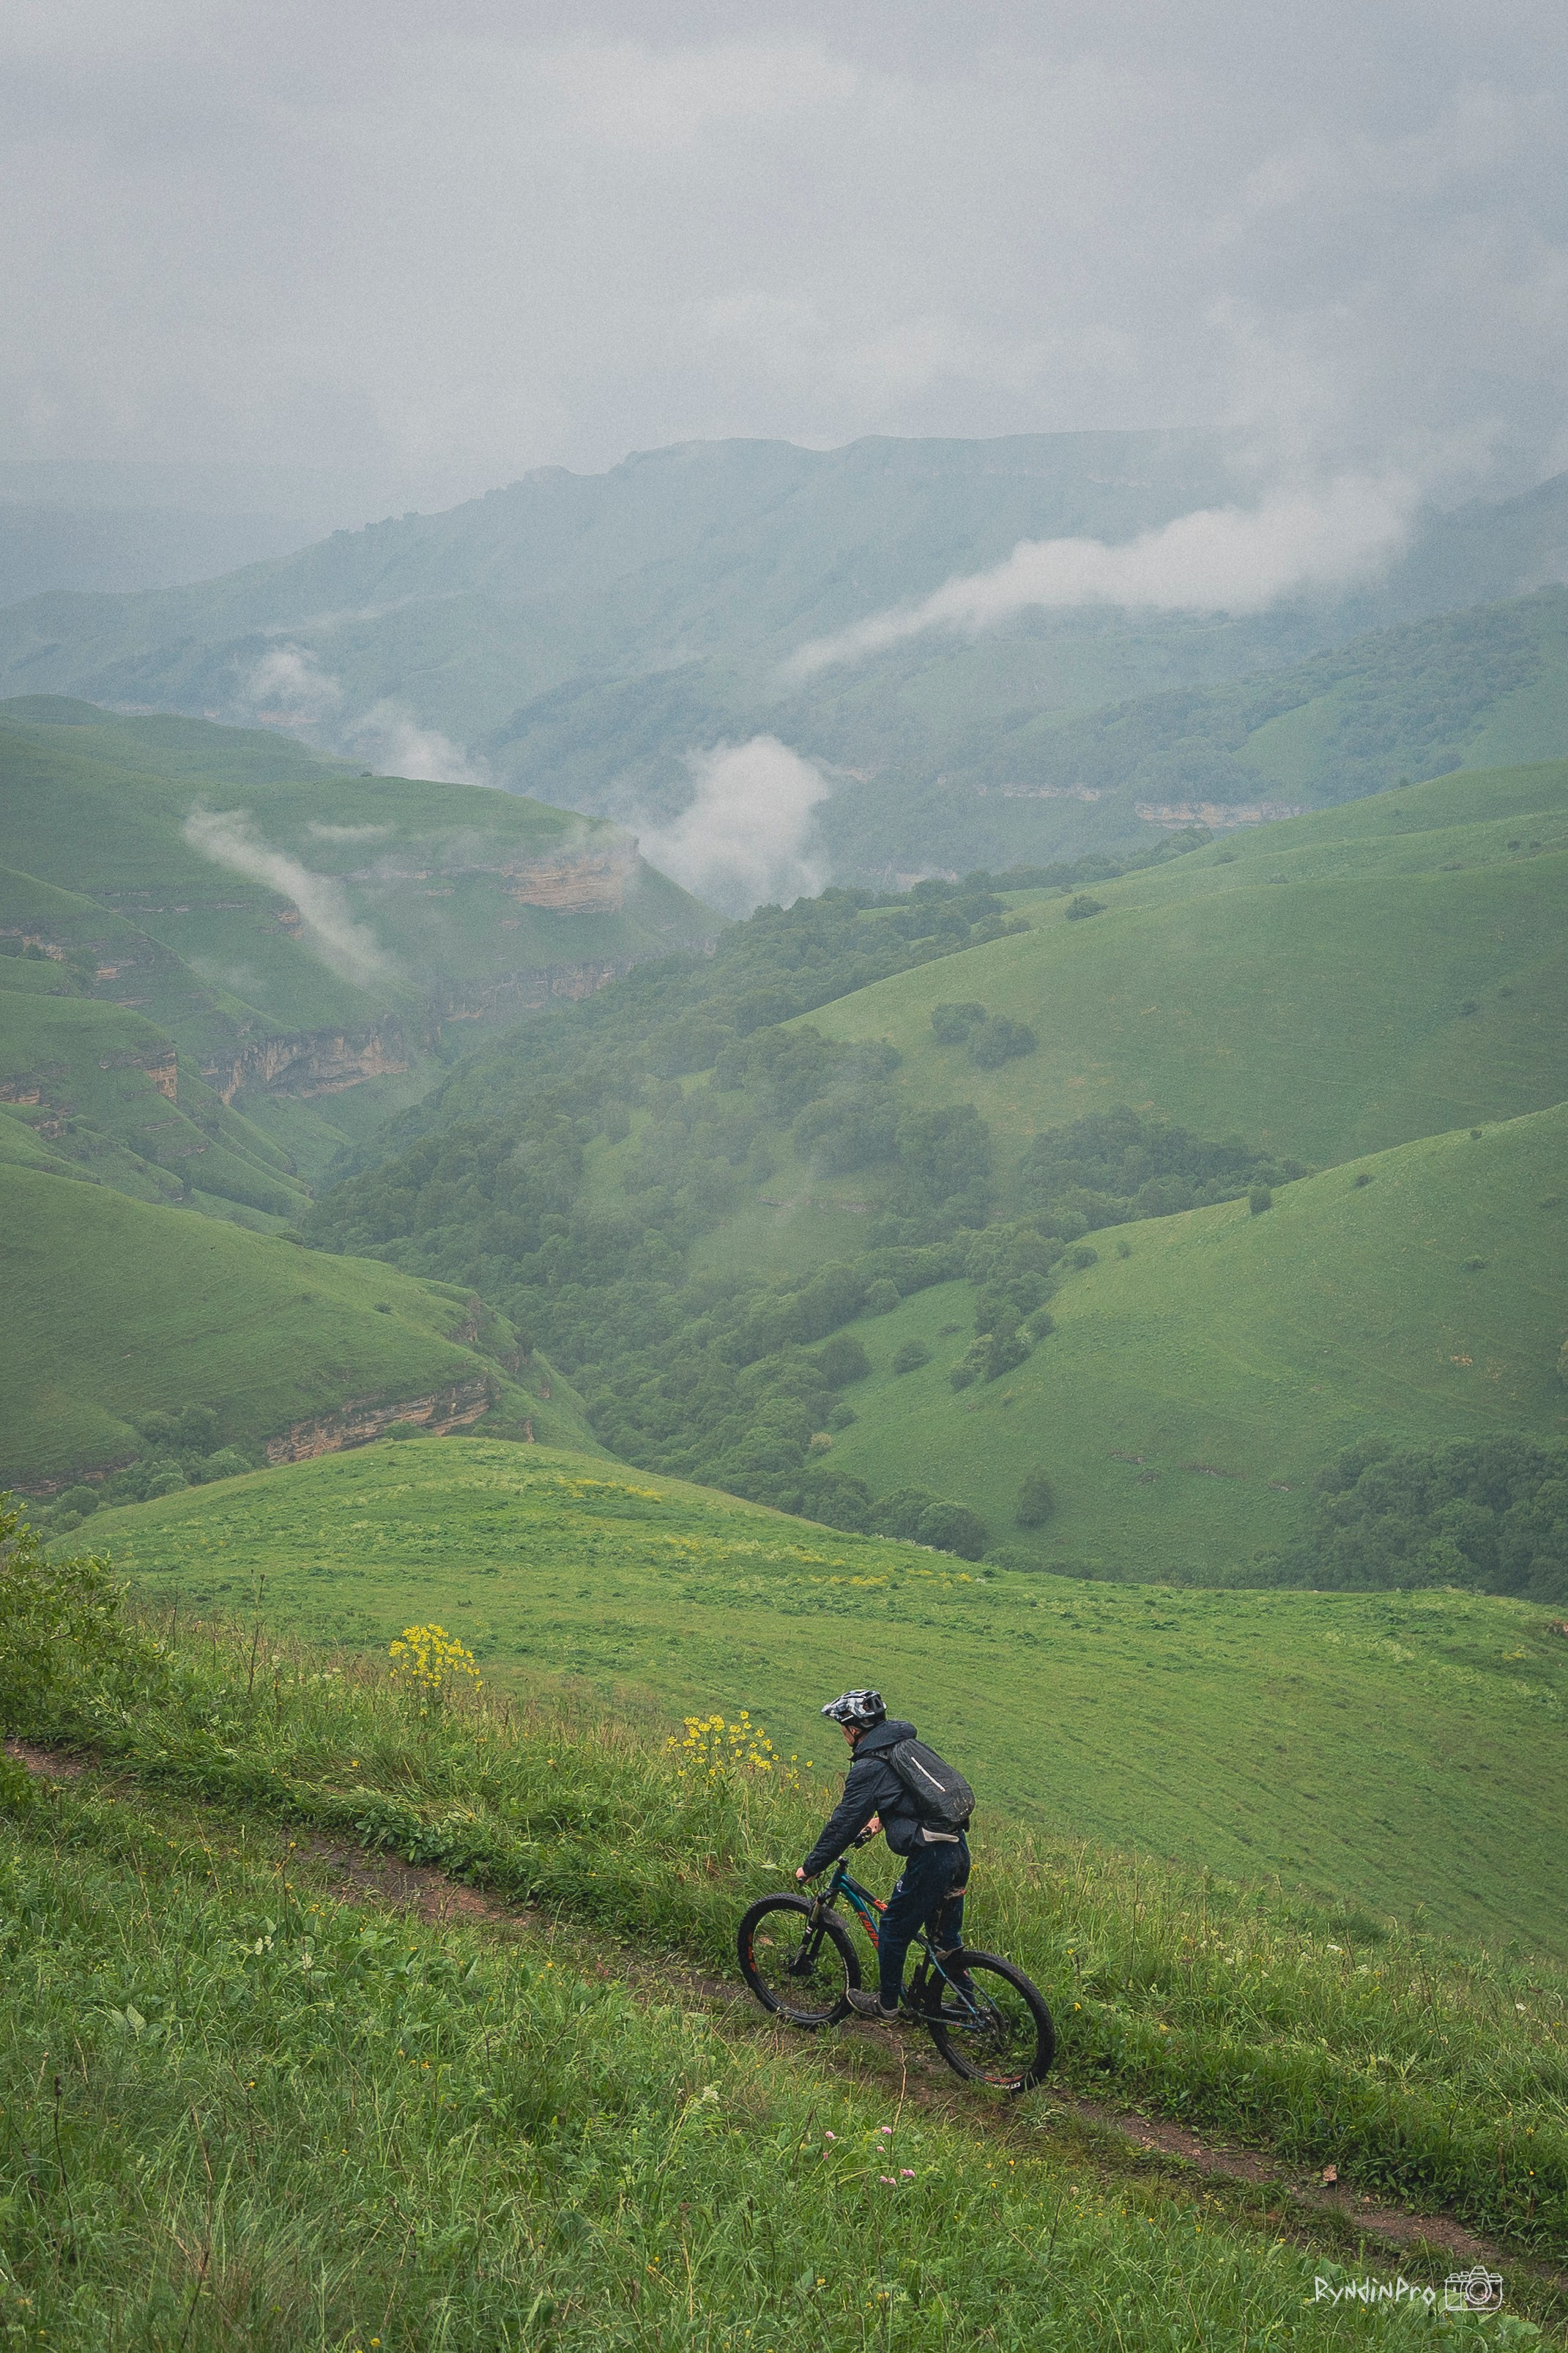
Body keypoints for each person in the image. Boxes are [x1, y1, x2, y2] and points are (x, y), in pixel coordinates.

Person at [795, 1688, 969, 2023]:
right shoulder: (902, 1746)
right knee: (946, 1939)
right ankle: (966, 2003)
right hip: (957, 1850)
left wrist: (812, 1866)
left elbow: (844, 1823)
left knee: (892, 1929)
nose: (843, 1734)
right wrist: (882, 1819)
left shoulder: (869, 1766)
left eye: (842, 1727)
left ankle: (887, 2004)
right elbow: (914, 1793)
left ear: (855, 1729)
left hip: (932, 1858)